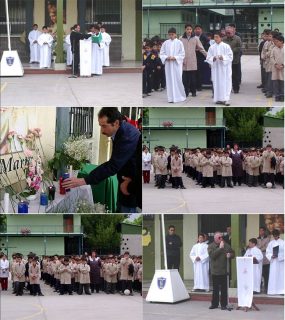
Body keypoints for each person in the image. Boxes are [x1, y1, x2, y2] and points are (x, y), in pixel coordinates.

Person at [62, 108, 141, 213]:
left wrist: (84, 180)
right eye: (100, 126)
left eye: (104, 126)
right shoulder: (121, 129)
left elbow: (113, 165)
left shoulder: (127, 136)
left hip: (130, 184)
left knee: (126, 213)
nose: (102, 131)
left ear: (116, 123)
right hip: (125, 180)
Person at [208, 231, 234, 310]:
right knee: (215, 289)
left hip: (224, 271)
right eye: (219, 237)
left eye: (221, 237)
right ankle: (214, 304)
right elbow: (212, 256)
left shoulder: (226, 245)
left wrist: (230, 255)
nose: (221, 239)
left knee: (224, 289)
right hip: (215, 271)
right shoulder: (211, 246)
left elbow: (233, 253)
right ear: (215, 238)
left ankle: (224, 304)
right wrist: (220, 248)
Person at [160, 27, 186, 103]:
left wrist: (175, 57)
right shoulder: (165, 43)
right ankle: (171, 98)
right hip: (168, 65)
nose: (171, 36)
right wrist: (166, 57)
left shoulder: (179, 43)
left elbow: (182, 54)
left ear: (175, 34)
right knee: (169, 80)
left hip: (176, 65)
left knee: (178, 80)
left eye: (172, 34)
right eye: (169, 34)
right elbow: (161, 53)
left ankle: (180, 97)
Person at [206, 32, 233, 106]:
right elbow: (208, 57)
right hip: (216, 69)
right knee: (216, 83)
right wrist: (213, 58)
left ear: (221, 38)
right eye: (214, 37)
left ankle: (226, 99)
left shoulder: (226, 46)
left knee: (225, 83)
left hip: (224, 69)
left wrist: (223, 57)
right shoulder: (212, 47)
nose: (216, 39)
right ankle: (218, 99)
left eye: (217, 37)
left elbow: (230, 56)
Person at [180, 24, 207, 97]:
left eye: (190, 29)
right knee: (185, 79)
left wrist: (208, 56)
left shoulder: (195, 38)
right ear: (185, 30)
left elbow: (201, 48)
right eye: (187, 29)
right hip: (184, 61)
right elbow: (178, 49)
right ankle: (186, 92)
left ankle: (193, 92)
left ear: (192, 30)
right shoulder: (181, 38)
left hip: (192, 61)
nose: (189, 31)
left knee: (193, 78)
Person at [223, 26, 242, 94]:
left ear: (233, 32)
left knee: (235, 76)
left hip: (235, 60)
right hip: (226, 61)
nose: (228, 34)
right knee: (226, 76)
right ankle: (227, 89)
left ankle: (236, 88)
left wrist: (230, 51)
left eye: (229, 33)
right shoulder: (223, 39)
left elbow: (239, 48)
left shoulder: (237, 38)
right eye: (227, 33)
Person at [266, 229, 284, 295]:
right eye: (274, 236)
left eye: (276, 236)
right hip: (273, 262)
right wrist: (271, 256)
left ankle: (282, 291)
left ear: (278, 235)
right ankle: (272, 291)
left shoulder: (283, 242)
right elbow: (268, 252)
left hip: (281, 262)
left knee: (281, 276)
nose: (275, 237)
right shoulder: (271, 243)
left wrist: (279, 256)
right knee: (273, 276)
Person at [194, 25, 210, 91]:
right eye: (196, 29)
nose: (197, 30)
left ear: (201, 30)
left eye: (199, 29)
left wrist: (200, 49)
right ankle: (193, 86)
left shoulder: (205, 38)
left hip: (201, 57)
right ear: (194, 30)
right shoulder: (192, 37)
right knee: (193, 72)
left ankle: (199, 86)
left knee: (200, 72)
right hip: (193, 56)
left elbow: (207, 48)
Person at [271, 34, 284, 102]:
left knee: (282, 82)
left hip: (283, 69)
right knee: (275, 83)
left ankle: (282, 95)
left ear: (281, 42)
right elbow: (271, 57)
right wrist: (275, 64)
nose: (276, 43)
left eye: (277, 41)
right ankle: (277, 96)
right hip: (275, 68)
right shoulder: (274, 49)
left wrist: (283, 65)